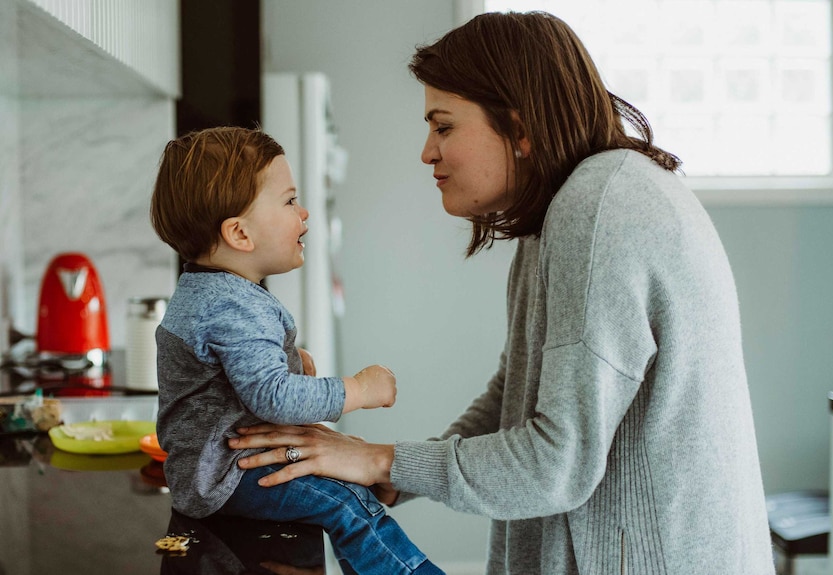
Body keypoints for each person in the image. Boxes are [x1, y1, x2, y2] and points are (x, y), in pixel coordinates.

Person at [228, 11, 776, 575]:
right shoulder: (570, 208)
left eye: (443, 127)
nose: (427, 152)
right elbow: (514, 395)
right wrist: (387, 475)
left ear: (519, 128)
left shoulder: (599, 210)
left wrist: (378, 460)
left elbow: (554, 464)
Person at [149, 126, 444, 575]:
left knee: (348, 497)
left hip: (212, 472)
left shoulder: (209, 292)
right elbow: (273, 397)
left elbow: (237, 385)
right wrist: (359, 389)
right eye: (289, 201)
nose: (303, 212)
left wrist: (290, 365)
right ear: (240, 234)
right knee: (346, 503)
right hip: (228, 477)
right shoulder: (232, 305)